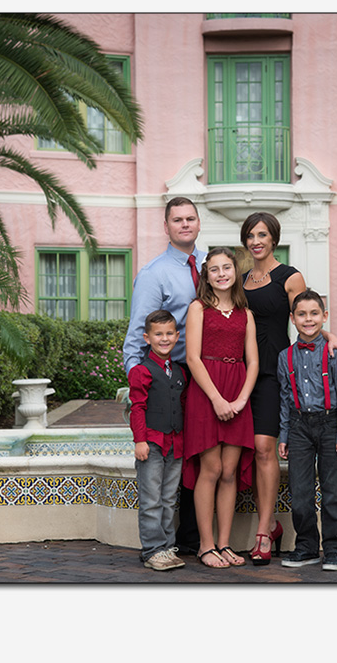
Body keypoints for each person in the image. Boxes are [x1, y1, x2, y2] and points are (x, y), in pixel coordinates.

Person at [240, 212, 337, 565]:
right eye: (250, 235)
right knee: (247, 450)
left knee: (263, 448)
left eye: (262, 235)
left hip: (273, 371)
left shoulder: (289, 276)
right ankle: (271, 527)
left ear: (274, 239)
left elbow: (307, 316)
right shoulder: (240, 280)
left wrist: (331, 337)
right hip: (242, 373)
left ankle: (265, 527)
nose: (256, 241)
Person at [122, 196, 205, 555]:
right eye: (177, 220)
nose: (184, 224)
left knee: (196, 455)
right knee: (170, 462)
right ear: (166, 226)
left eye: (190, 218)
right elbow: (136, 335)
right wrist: (141, 383)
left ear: (198, 223)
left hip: (207, 375)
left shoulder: (211, 265)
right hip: (174, 373)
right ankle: (171, 543)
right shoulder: (155, 273)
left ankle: (193, 538)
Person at [183, 247, 258, 569]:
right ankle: (205, 545)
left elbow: (253, 361)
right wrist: (217, 399)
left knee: (229, 472)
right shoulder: (198, 308)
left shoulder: (246, 313)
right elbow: (192, 358)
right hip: (206, 391)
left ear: (235, 271)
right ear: (206, 276)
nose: (222, 274)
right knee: (210, 469)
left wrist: (241, 400)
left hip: (238, 389)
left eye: (227, 268)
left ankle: (225, 543)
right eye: (214, 269)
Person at [277, 290, 337, 571]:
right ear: (293, 319)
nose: (308, 319)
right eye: (302, 314)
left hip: (330, 424)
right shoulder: (285, 357)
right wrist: (283, 435)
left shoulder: (334, 352)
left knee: (333, 492)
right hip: (298, 427)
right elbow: (285, 399)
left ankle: (333, 549)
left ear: (324, 317)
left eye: (314, 313)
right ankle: (306, 546)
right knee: (300, 493)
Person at [127, 310, 187, 571]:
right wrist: (140, 441)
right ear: (147, 337)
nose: (164, 338)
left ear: (177, 335)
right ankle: (152, 549)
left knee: (169, 499)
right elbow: (137, 408)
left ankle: (167, 548)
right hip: (151, 443)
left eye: (169, 333)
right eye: (158, 334)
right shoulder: (141, 371)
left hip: (175, 444)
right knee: (151, 500)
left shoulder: (180, 372)